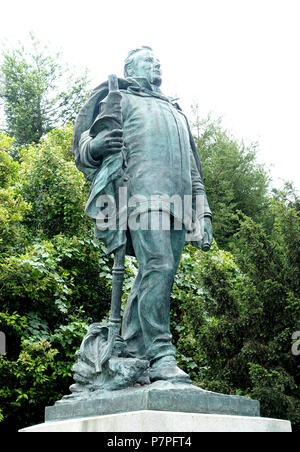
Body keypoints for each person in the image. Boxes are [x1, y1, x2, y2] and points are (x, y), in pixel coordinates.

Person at [73, 46, 212, 383]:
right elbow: (86, 143)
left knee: (157, 275)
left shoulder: (176, 111)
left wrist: (202, 213)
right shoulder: (120, 98)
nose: (157, 64)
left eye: (158, 60)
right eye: (149, 60)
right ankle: (162, 354)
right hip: (142, 198)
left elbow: (194, 169)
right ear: (130, 67)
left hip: (180, 204)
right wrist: (97, 146)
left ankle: (133, 347)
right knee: (158, 267)